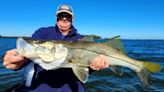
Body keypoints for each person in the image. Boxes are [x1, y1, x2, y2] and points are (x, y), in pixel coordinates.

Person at [2, 4, 109, 92]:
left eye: (67, 16)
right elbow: (30, 52)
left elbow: (85, 68)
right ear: (56, 17)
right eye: (61, 15)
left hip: (72, 88)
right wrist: (16, 60)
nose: (64, 18)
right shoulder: (43, 33)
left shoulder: (81, 39)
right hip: (41, 88)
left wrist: (93, 67)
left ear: (73, 18)